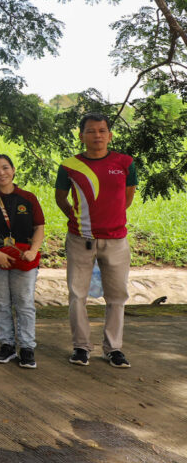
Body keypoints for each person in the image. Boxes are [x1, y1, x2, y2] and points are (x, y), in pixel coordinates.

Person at [55, 112, 137, 369]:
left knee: (116, 296)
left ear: (109, 135)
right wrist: (79, 220)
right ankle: (81, 347)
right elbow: (60, 198)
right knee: (77, 295)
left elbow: (128, 198)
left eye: (102, 131)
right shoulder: (69, 166)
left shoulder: (125, 162)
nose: (97, 136)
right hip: (81, 240)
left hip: (116, 241)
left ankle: (113, 349)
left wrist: (109, 221)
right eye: (91, 131)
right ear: (81, 136)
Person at [0, 154, 45, 369]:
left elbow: (39, 227)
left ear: (14, 170)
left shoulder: (28, 198)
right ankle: (6, 345)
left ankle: (27, 348)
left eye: (5, 168)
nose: (1, 173)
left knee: (24, 302)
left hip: (24, 258)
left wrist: (34, 250)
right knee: (1, 302)